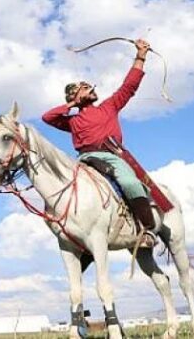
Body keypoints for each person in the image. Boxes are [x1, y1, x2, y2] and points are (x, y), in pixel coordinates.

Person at [42, 39, 156, 247]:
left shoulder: (109, 106)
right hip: (85, 161)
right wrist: (73, 103)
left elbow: (129, 86)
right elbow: (47, 117)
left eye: (88, 86)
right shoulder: (72, 120)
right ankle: (77, 237)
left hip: (112, 157)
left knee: (130, 183)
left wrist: (141, 56)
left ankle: (147, 230)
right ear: (73, 97)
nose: (90, 88)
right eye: (83, 88)